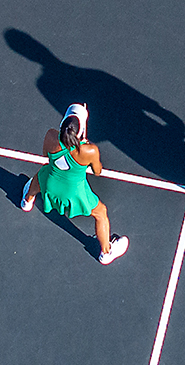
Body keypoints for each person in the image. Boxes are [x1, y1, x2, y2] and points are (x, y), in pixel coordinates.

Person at [19, 104, 128, 265]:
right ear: (81, 130)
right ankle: (106, 252)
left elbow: (45, 155)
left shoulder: (51, 135)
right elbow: (97, 171)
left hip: (50, 183)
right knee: (101, 213)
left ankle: (27, 201)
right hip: (75, 193)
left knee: (41, 176)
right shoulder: (89, 150)